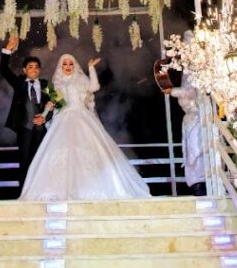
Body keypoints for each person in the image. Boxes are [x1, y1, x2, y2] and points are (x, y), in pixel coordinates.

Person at [20, 54, 150, 201]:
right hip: (63, 118)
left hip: (81, 116)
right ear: (60, 66)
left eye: (70, 64)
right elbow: (53, 104)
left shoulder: (81, 80)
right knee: (61, 153)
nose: (68, 67)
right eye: (65, 64)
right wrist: (44, 115)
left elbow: (94, 87)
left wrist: (91, 68)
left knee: (89, 150)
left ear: (74, 66)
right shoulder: (55, 83)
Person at [0, 36, 52, 190]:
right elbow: (4, 70)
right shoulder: (19, 83)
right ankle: (24, 194)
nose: (34, 69)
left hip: (42, 130)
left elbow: (51, 106)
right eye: (30, 67)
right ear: (24, 70)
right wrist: (7, 50)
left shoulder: (46, 86)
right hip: (24, 129)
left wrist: (45, 118)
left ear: (39, 70)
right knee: (24, 163)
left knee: (42, 161)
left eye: (36, 67)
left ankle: (41, 192)